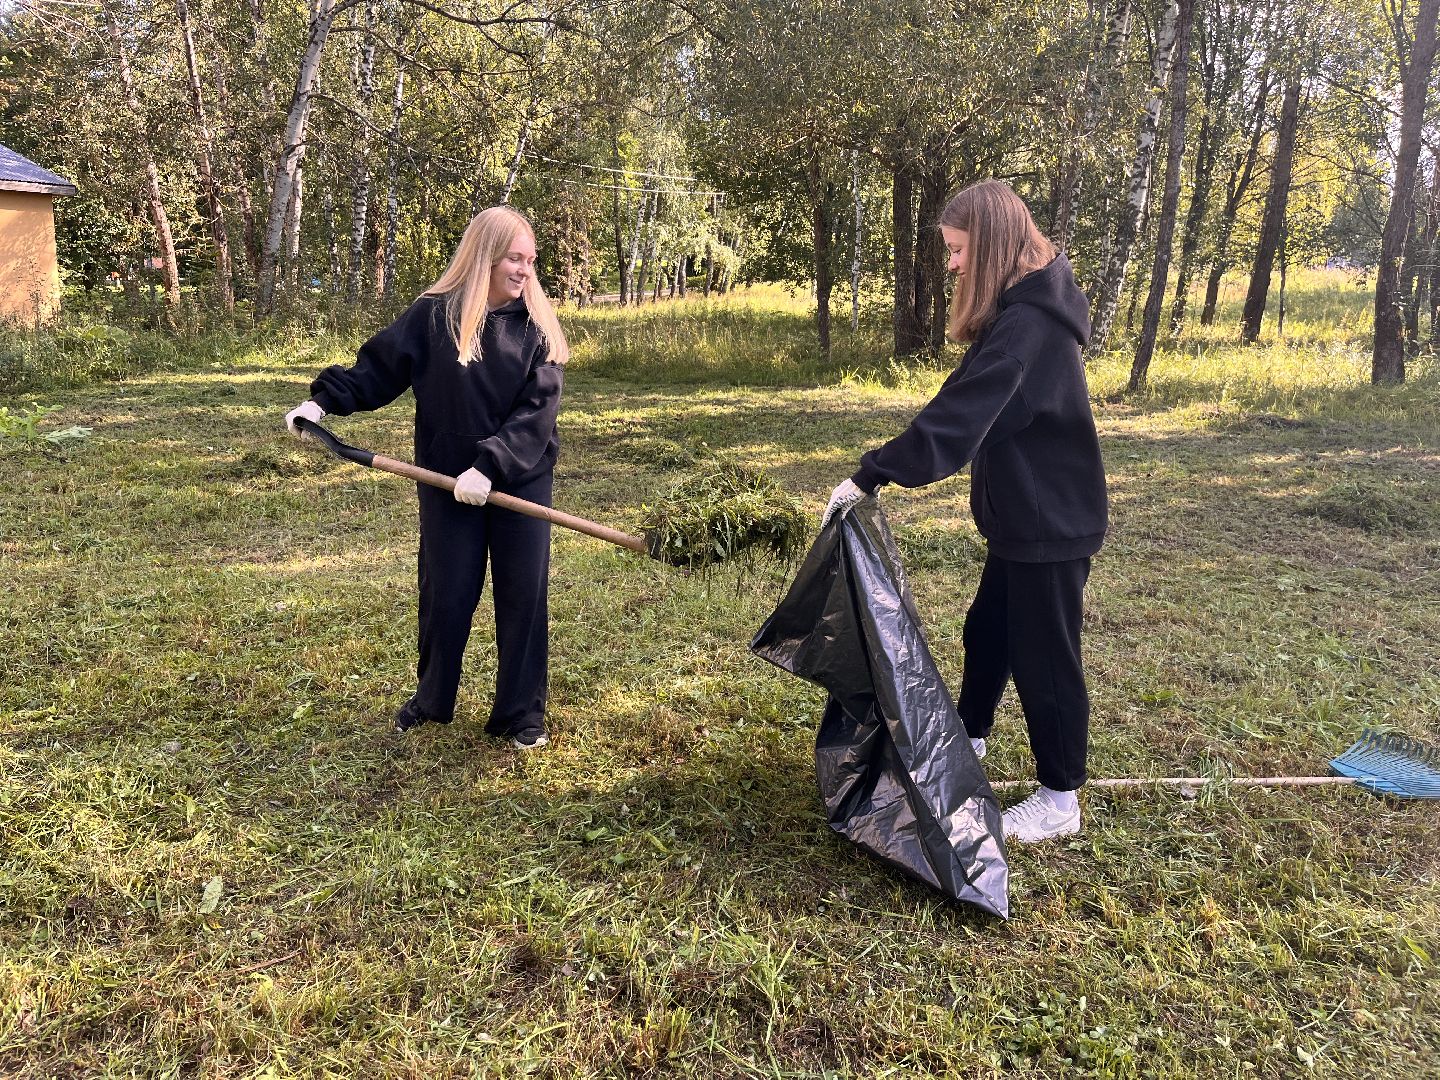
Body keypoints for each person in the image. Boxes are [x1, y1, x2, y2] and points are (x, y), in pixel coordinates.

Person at [821, 179, 1108, 842]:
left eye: (957, 251)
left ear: (994, 246)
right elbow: (963, 398)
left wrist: (872, 475)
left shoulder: (1028, 327)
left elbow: (959, 418)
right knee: (989, 632)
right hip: (1025, 519)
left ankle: (1060, 800)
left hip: (1052, 522)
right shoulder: (1021, 312)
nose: (951, 264)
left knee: (1045, 656)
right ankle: (968, 742)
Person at [285, 205, 568, 749]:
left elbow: (537, 414)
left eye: (531, 261)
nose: (525, 271)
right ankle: (433, 700)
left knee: (521, 594)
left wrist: (489, 467)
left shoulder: (538, 329)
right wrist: (321, 403)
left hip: (519, 478)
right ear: (484, 256)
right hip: (445, 480)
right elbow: (379, 369)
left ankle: (519, 715)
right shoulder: (434, 316)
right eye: (514, 258)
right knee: (447, 590)